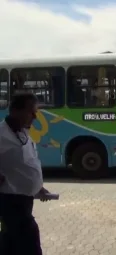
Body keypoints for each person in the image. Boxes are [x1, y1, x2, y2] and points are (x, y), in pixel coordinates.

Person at [0, 92, 55, 255]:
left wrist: (38, 187)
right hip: (11, 202)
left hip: (25, 201)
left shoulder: (23, 132)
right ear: (16, 111)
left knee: (10, 244)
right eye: (31, 112)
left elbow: (26, 163)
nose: (35, 117)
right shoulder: (1, 134)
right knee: (29, 244)